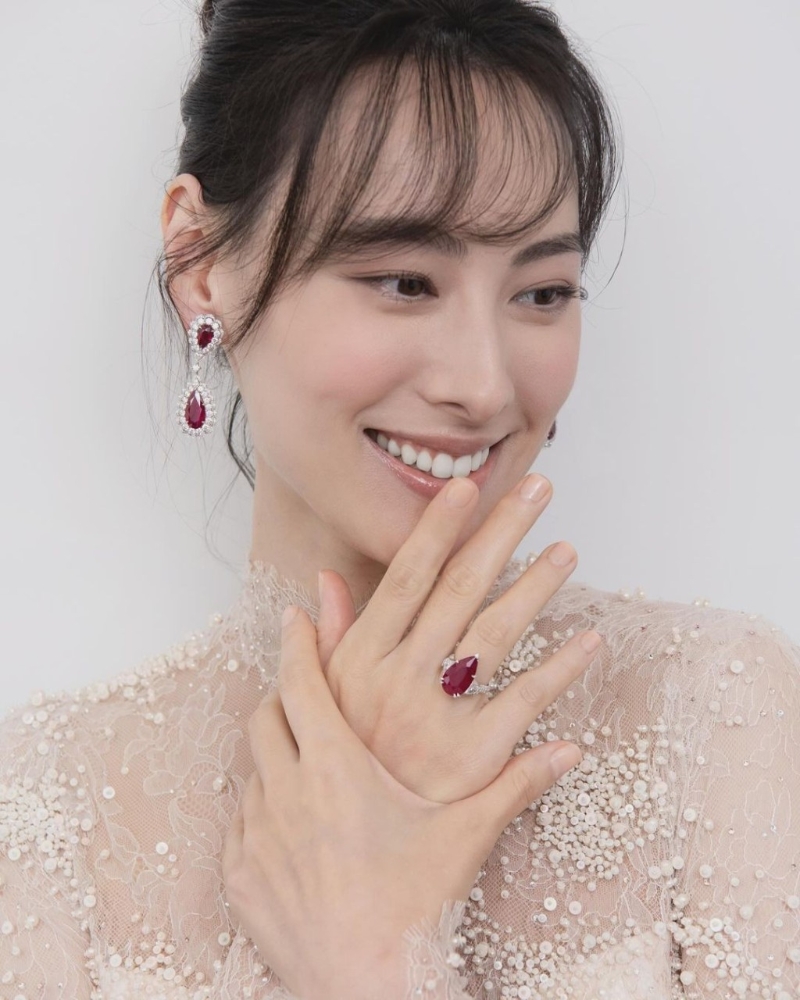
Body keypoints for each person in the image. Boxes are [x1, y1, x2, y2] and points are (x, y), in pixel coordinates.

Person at [1, 0, 798, 997]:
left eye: (542, 292)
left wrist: (373, 957)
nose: (483, 384)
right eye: (404, 281)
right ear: (201, 266)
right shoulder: (51, 815)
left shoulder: (712, 711)